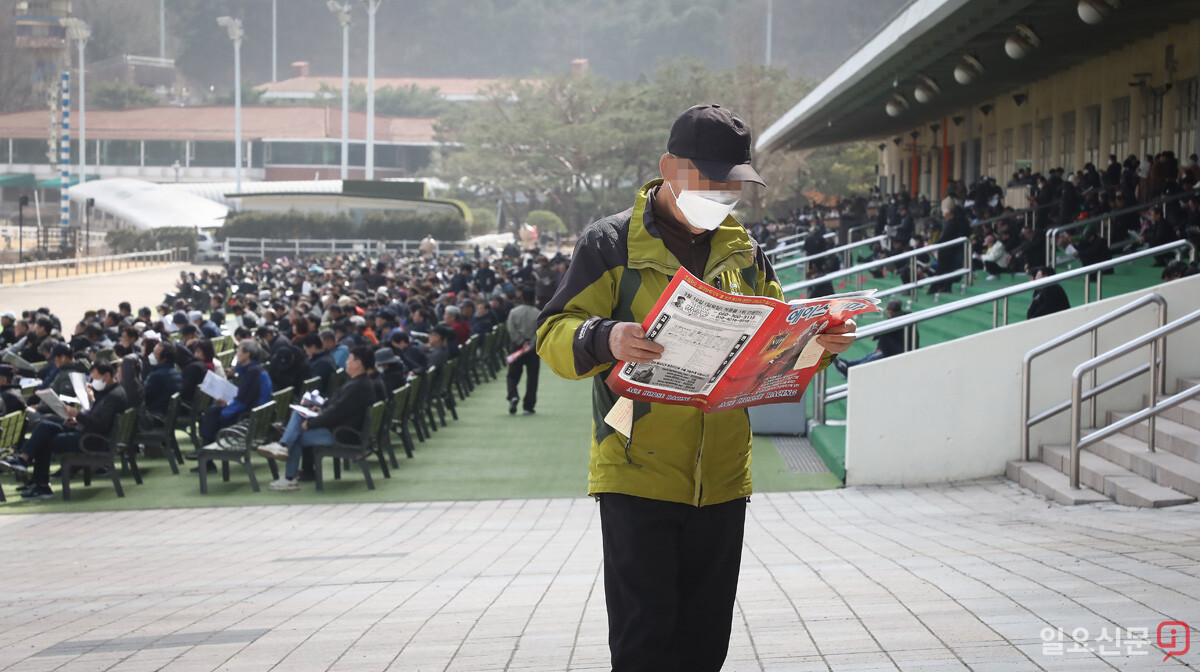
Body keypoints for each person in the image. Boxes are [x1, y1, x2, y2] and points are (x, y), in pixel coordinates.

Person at [535, 104, 856, 672]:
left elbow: (773, 349)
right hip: (636, 469)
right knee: (644, 639)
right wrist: (607, 337)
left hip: (723, 476)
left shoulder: (747, 252)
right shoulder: (610, 243)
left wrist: (815, 347)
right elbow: (552, 333)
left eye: (730, 185)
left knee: (706, 640)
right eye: (708, 181)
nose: (720, 195)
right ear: (669, 168)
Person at [256, 346, 382, 491]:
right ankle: (285, 456)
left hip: (342, 433)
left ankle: (285, 458)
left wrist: (311, 423)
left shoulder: (357, 386)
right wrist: (320, 410)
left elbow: (336, 411)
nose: (346, 362)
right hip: (345, 429)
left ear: (358, 363)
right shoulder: (360, 383)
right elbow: (338, 407)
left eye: (349, 359)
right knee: (298, 419)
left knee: (296, 432)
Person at [0, 360, 128, 500]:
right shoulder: (111, 393)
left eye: (96, 378)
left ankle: (40, 483)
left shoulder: (113, 396)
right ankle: (24, 461)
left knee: (45, 441)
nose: (94, 382)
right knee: (46, 425)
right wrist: (76, 420)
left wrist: (77, 415)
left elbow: (102, 425)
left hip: (92, 440)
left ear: (107, 376)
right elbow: (99, 420)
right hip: (87, 432)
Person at [832, 299, 913, 375]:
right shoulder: (902, 317)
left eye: (888, 311)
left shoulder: (899, 320)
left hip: (899, 352)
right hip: (894, 348)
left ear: (891, 311)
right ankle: (848, 365)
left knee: (872, 358)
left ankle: (849, 371)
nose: (887, 313)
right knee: (870, 356)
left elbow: (876, 336)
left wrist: (881, 346)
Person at [506, 286, 540, 415]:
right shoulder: (538, 313)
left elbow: (511, 329)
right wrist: (530, 343)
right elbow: (540, 331)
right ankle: (528, 406)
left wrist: (520, 341)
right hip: (532, 349)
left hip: (517, 347)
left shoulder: (514, 312)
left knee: (512, 375)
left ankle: (513, 395)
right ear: (534, 298)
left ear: (522, 298)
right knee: (532, 378)